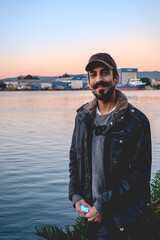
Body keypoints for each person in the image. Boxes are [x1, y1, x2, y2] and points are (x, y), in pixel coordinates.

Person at [69, 53, 152, 240]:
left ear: (116, 78)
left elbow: (140, 174)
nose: (99, 79)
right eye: (93, 74)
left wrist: (104, 205)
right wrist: (75, 195)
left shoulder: (136, 121)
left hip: (122, 218)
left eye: (104, 73)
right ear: (89, 81)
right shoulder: (82, 117)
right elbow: (74, 157)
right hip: (91, 215)